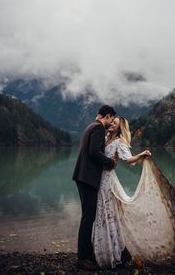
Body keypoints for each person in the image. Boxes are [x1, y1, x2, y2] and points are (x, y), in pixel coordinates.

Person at [92, 116, 175, 269]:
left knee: (109, 213)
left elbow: (128, 159)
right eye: (112, 122)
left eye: (115, 123)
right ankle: (103, 251)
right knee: (103, 214)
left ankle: (113, 254)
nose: (112, 124)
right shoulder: (106, 137)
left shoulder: (119, 142)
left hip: (108, 180)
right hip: (99, 178)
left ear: (120, 129)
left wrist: (141, 155)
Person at [72, 104, 117, 270]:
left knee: (87, 217)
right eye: (111, 118)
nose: (111, 122)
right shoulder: (98, 129)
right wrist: (110, 161)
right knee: (87, 218)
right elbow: (94, 152)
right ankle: (82, 259)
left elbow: (91, 151)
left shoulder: (90, 126)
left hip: (82, 177)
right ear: (106, 116)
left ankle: (87, 254)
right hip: (88, 178)